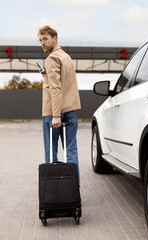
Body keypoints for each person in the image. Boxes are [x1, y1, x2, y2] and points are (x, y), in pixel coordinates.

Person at [38, 25, 81, 180]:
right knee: (71, 151)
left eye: (45, 39)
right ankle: (74, 187)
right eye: (40, 40)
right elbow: (64, 83)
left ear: (54, 39)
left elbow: (56, 88)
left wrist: (56, 115)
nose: (42, 43)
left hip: (53, 112)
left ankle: (54, 191)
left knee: (51, 151)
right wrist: (46, 75)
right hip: (70, 110)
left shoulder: (51, 59)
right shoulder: (66, 57)